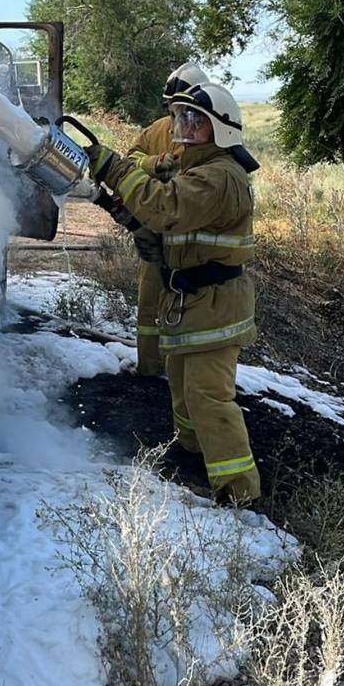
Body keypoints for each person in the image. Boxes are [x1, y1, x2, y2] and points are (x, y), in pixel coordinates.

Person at [85, 82, 260, 504]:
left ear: (223, 131)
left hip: (214, 304)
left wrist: (114, 169)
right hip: (190, 302)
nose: (185, 127)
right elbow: (168, 219)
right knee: (183, 391)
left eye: (197, 122)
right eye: (182, 118)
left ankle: (239, 493)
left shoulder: (220, 177)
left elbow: (166, 208)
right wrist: (128, 215)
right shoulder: (195, 168)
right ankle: (193, 455)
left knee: (209, 399)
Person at [127, 62, 208, 377]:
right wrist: (153, 163)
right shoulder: (157, 130)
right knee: (150, 301)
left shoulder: (208, 134)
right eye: (175, 107)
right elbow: (130, 158)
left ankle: (184, 370)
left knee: (189, 304)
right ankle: (149, 368)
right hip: (155, 227)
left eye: (185, 107)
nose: (179, 115)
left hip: (192, 234)